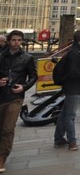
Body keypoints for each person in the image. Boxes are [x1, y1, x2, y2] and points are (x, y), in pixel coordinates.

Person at [0, 30, 37, 171]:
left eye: (19, 40)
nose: (16, 42)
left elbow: (33, 76)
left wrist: (24, 87)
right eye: (14, 40)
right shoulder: (1, 56)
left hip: (15, 97)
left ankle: (2, 158)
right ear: (9, 41)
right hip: (1, 95)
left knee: (8, 128)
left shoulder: (27, 58)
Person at [54, 30, 80, 151]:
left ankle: (58, 138)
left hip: (71, 86)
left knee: (64, 113)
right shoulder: (76, 53)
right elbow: (73, 71)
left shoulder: (74, 51)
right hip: (74, 87)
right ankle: (72, 142)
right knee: (70, 115)